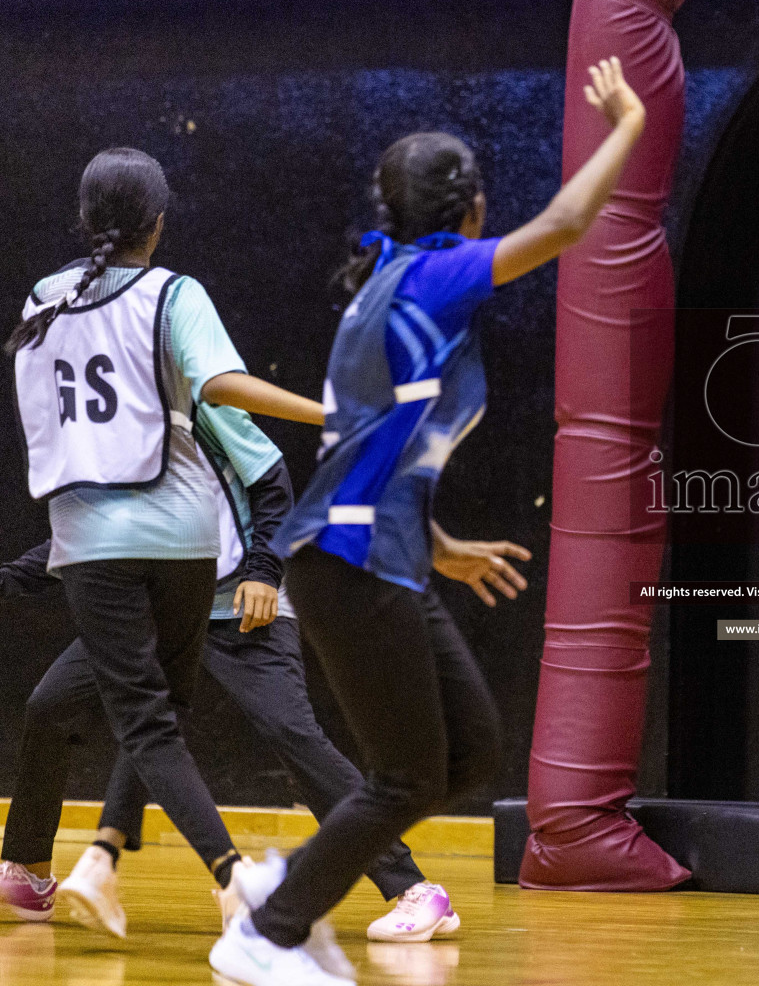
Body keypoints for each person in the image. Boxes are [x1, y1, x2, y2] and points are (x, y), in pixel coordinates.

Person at [209, 57, 648, 986]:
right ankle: (266, 933)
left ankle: (289, 884)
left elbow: (368, 440)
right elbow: (568, 224)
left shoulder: (389, 284)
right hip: (348, 558)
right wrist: (628, 125)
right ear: (473, 211)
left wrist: (441, 545)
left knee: (469, 750)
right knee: (407, 774)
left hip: (383, 550)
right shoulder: (437, 276)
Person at [0, 399, 511, 943]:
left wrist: (265, 572)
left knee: (291, 731)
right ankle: (27, 871)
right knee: (51, 706)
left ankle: (414, 888)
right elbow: (93, 539)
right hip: (156, 612)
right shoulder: (114, 437)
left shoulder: (204, 405)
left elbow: (273, 486)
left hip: (240, 609)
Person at [2, 147, 326, 938]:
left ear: (85, 220)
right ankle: (91, 861)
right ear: (158, 222)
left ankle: (225, 877)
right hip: (188, 538)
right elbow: (219, 386)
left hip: (90, 538)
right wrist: (333, 415)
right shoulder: (174, 292)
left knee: (147, 724)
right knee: (152, 716)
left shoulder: (44, 298)